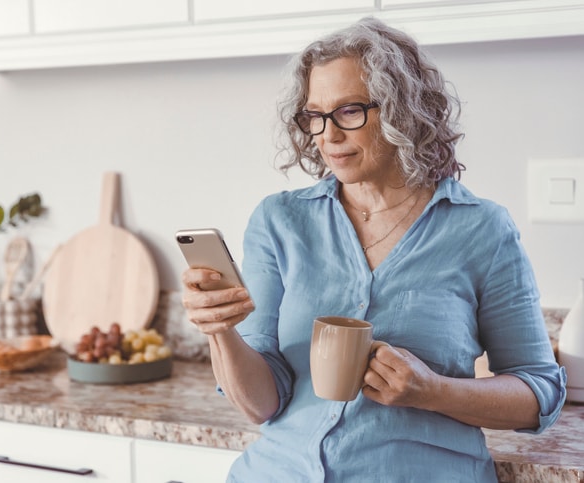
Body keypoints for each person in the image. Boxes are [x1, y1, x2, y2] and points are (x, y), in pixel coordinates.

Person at [181, 16, 566, 482]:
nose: (327, 135)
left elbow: (539, 393)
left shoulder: (480, 229)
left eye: (348, 111)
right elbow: (262, 404)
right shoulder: (280, 221)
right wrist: (220, 331)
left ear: (404, 109)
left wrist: (432, 391)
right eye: (315, 115)